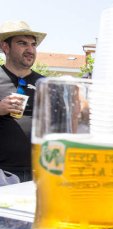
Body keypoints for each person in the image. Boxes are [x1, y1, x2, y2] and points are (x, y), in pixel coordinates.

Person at [0, 21, 46, 182]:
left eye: (33, 45)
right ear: (5, 47)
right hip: (2, 174)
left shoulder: (45, 84)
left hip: (39, 173)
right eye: (22, 43)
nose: (30, 49)